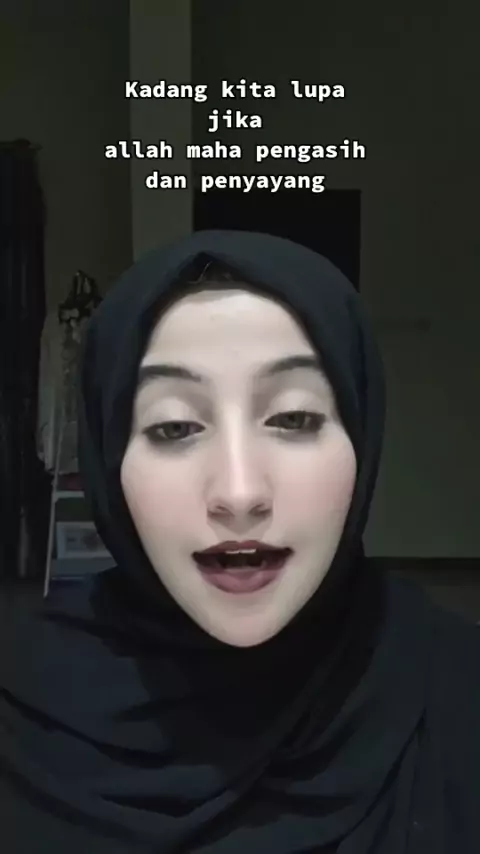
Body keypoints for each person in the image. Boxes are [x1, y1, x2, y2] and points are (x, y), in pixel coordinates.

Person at [0, 229, 479, 853]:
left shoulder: (456, 693)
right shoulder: (20, 700)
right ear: (108, 452)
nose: (239, 492)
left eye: (294, 418)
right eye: (174, 426)